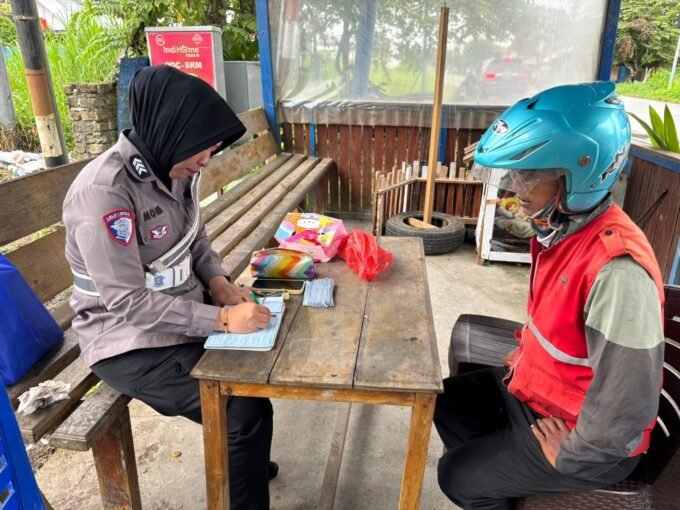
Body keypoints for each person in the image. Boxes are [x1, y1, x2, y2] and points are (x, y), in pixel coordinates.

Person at [434, 82, 665, 509]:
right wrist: (528, 354)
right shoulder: (564, 230)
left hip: (588, 439)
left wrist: (576, 456)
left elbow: (628, 399)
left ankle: (490, 481)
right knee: (446, 401)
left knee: (455, 475)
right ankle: (500, 481)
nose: (515, 187)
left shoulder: (618, 272)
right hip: (546, 397)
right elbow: (561, 328)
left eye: (529, 175)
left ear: (580, 174)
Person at [63, 65, 276, 510]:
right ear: (169, 130)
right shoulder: (104, 193)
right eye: (202, 148)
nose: (207, 161)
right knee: (242, 409)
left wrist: (218, 282)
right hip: (126, 341)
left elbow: (194, 236)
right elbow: (127, 302)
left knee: (257, 376)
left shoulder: (173, 166)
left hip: (177, 315)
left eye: (212, 149)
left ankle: (246, 464)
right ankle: (245, 464)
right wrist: (221, 319)